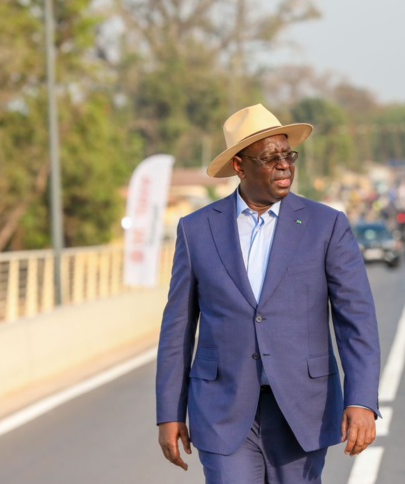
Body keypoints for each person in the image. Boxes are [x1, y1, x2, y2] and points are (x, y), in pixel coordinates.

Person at [156, 104, 381, 484]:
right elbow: (177, 328)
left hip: (303, 407)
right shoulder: (197, 230)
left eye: (288, 155)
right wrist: (169, 412)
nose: (284, 166)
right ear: (240, 167)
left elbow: (356, 319)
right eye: (270, 158)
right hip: (222, 409)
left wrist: (361, 401)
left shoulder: (326, 225)